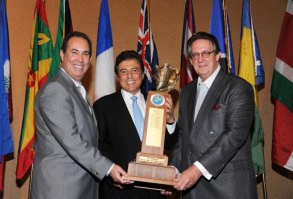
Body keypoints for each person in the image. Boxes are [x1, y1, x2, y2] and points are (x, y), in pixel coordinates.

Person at [30, 31, 131, 199]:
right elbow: (72, 141)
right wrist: (109, 168)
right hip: (60, 188)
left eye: (85, 54)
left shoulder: (74, 89)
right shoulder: (56, 90)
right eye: (74, 52)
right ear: (62, 55)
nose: (80, 59)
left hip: (80, 185)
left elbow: (90, 139)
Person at [167, 32, 257, 199]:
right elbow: (183, 137)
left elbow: (234, 135)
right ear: (191, 60)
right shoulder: (186, 92)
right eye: (195, 54)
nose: (200, 59)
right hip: (191, 189)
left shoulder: (238, 88)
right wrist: (173, 171)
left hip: (228, 186)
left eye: (206, 53)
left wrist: (196, 169)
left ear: (217, 56)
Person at [93, 50, 178, 199]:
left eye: (134, 70)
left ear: (142, 75)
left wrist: (170, 119)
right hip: (119, 190)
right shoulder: (103, 106)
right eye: (124, 72)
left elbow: (170, 144)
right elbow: (98, 147)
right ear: (118, 78)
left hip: (154, 189)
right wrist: (111, 174)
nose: (130, 76)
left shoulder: (155, 101)